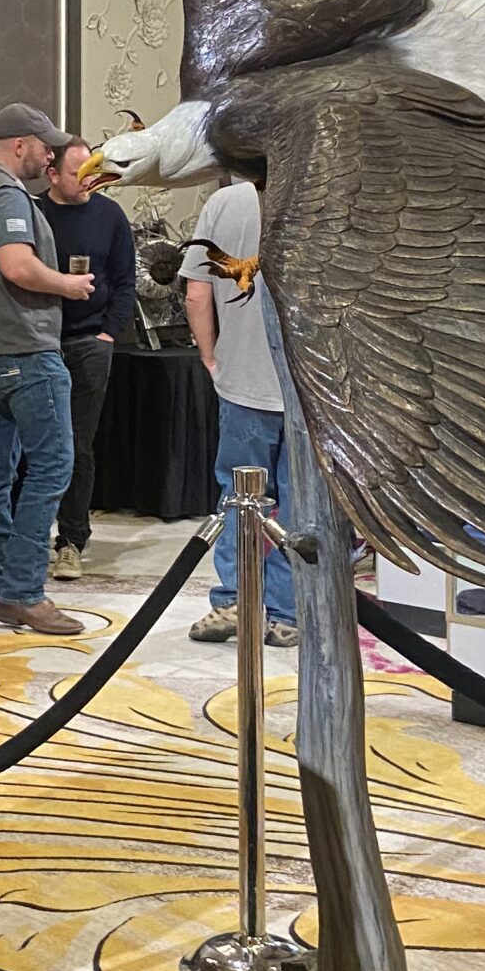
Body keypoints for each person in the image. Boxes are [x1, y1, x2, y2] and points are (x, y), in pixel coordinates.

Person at [0, 103, 95, 635]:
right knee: (53, 467)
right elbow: (17, 265)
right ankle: (24, 593)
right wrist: (68, 285)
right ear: (19, 145)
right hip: (25, 353)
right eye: (44, 146)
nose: (49, 156)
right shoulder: (7, 193)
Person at [181, 178, 298, 648]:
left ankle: (234, 600)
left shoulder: (224, 202)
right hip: (314, 393)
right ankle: (288, 613)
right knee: (299, 508)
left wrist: (211, 357)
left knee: (238, 499)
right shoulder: (324, 187)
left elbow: (196, 293)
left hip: (243, 382)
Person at [39, 138, 138, 581]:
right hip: (41, 344)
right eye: (78, 173)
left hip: (90, 344)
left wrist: (107, 334)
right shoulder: (32, 213)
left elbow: (125, 280)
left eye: (92, 172)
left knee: (78, 445)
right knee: (39, 445)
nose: (88, 181)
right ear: (52, 174)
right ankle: (29, 538)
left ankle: (71, 541)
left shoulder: (110, 215)